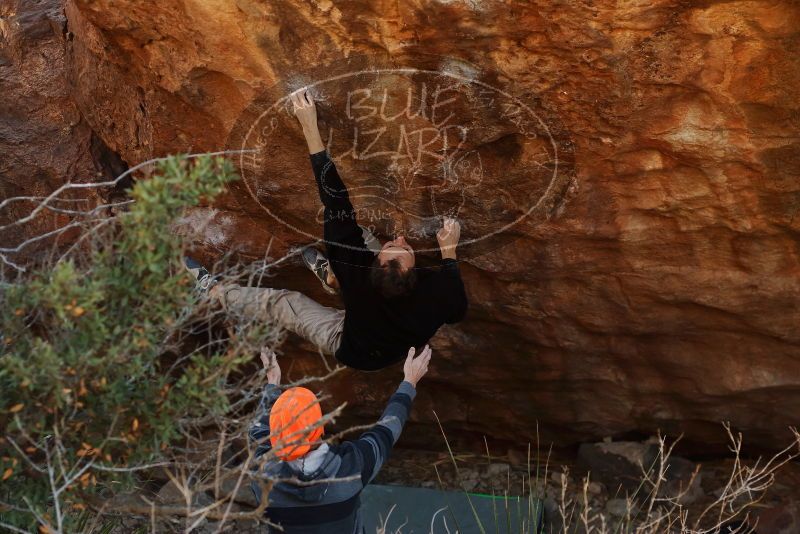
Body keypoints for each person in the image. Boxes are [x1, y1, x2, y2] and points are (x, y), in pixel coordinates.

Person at [184, 88, 467, 370]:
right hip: (375, 322)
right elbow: (457, 312)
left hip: (354, 346)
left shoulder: (355, 267)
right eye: (402, 247)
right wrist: (450, 254)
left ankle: (214, 293)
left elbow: (335, 200)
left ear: (374, 265)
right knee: (361, 236)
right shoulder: (438, 296)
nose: (401, 238)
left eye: (399, 246)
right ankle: (332, 279)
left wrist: (309, 125)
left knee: (285, 303)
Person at [249, 344, 432, 533]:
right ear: (319, 427)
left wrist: (272, 383)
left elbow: (259, 432)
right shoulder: (351, 467)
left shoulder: (261, 476)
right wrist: (409, 382)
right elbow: (388, 429)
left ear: (276, 431)